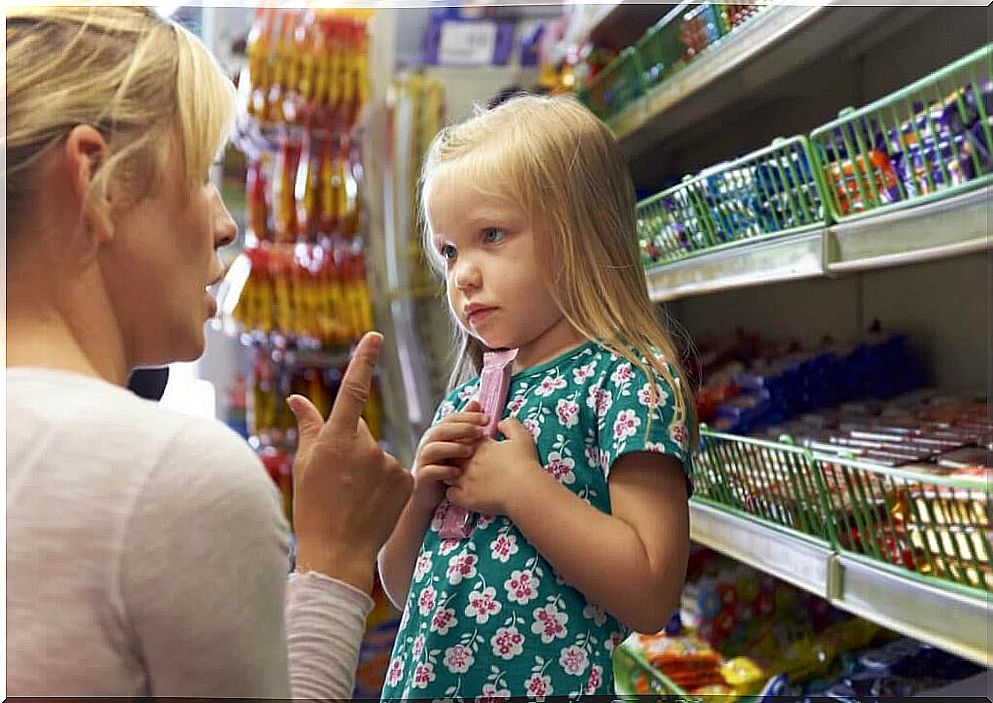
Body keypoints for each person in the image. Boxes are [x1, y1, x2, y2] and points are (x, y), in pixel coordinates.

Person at [5, 7, 412, 697]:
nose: (224, 224)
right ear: (96, 179)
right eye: (199, 175)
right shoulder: (168, 481)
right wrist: (336, 560)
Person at [378, 94, 695, 700]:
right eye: (448, 251)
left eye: (490, 235)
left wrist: (521, 489)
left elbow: (651, 592)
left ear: (582, 234)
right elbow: (402, 587)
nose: (461, 275)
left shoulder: (627, 382)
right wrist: (421, 494)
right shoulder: (468, 401)